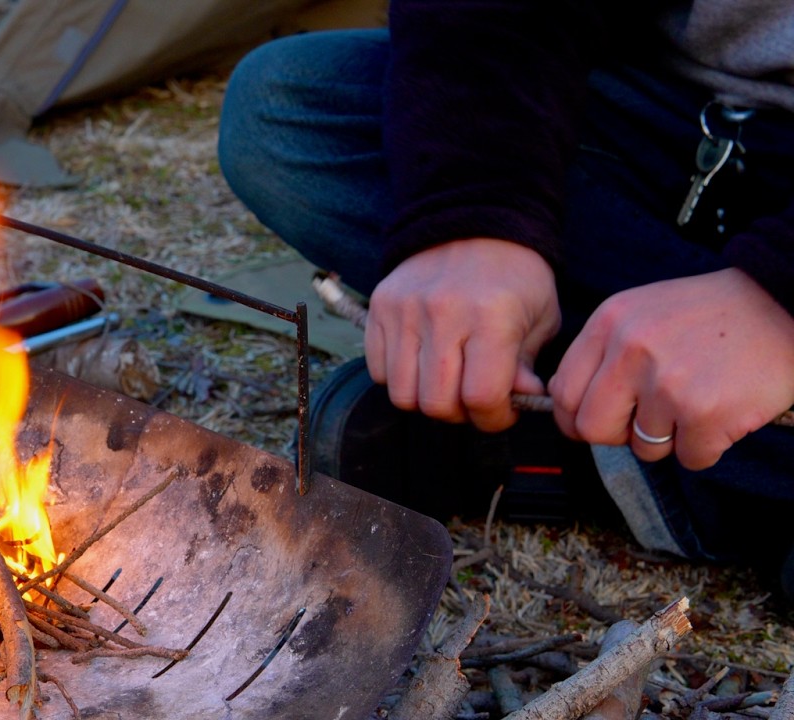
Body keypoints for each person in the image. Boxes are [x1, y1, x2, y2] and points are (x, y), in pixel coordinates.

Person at [217, 0, 794, 598]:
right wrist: (476, 208)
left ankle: (624, 466)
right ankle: (684, 441)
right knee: (290, 109)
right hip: (680, 122)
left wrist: (777, 299)